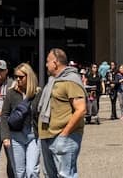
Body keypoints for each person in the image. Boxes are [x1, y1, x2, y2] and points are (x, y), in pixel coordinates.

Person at [37, 48, 86, 178]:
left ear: (55, 62)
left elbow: (81, 110)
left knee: (65, 175)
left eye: (48, 61)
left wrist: (64, 134)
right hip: (47, 136)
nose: (46, 64)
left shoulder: (71, 80)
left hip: (63, 137)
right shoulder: (53, 81)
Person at [1, 63, 40, 178]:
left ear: (29, 77)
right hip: (16, 136)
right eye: (16, 76)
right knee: (19, 172)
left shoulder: (37, 93)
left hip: (33, 136)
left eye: (21, 77)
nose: (18, 79)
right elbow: (4, 115)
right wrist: (5, 136)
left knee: (32, 171)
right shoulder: (11, 93)